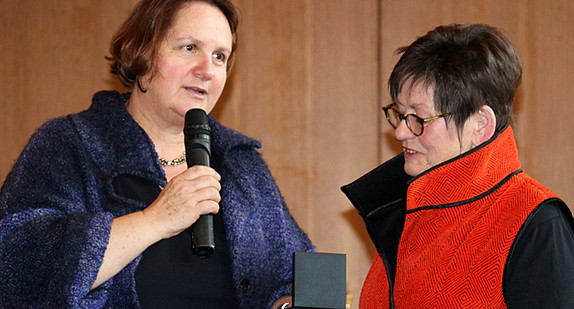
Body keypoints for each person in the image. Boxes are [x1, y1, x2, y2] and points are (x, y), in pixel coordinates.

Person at [0, 0, 313, 308]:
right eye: (189, 48)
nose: (207, 70)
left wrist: (286, 302)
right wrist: (155, 220)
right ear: (143, 53)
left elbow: (297, 276)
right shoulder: (68, 144)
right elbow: (15, 267)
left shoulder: (240, 162)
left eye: (220, 56)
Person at [341, 23, 574, 308]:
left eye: (419, 118)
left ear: (480, 124)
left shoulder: (535, 222)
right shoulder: (403, 213)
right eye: (400, 114)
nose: (401, 132)